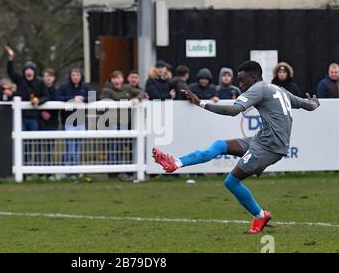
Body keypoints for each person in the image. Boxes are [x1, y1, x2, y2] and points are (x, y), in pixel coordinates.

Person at [152, 61, 320, 234]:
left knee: (231, 181)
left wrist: (201, 103)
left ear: (253, 78)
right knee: (219, 145)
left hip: (270, 147)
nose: (239, 84)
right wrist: (315, 102)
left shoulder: (259, 88)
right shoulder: (278, 89)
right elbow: (307, 105)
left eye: (242, 79)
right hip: (261, 140)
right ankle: (175, 163)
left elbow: (233, 111)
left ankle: (260, 215)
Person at [101, 70, 147, 180]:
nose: (116, 80)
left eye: (118, 78)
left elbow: (142, 93)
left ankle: (119, 171)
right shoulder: (106, 90)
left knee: (121, 147)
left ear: (122, 79)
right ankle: (112, 173)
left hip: (124, 122)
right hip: (111, 122)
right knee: (113, 147)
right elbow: (104, 101)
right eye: (114, 78)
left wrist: (137, 98)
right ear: (111, 80)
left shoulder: (127, 88)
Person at [56, 68, 90, 177]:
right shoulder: (64, 87)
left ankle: (66, 169)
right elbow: (58, 98)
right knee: (71, 147)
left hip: (81, 121)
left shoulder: (85, 87)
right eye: (73, 75)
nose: (75, 77)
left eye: (77, 75)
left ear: (81, 76)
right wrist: (73, 98)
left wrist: (83, 99)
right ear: (70, 76)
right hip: (68, 122)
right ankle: (72, 171)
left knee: (77, 147)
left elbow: (95, 97)